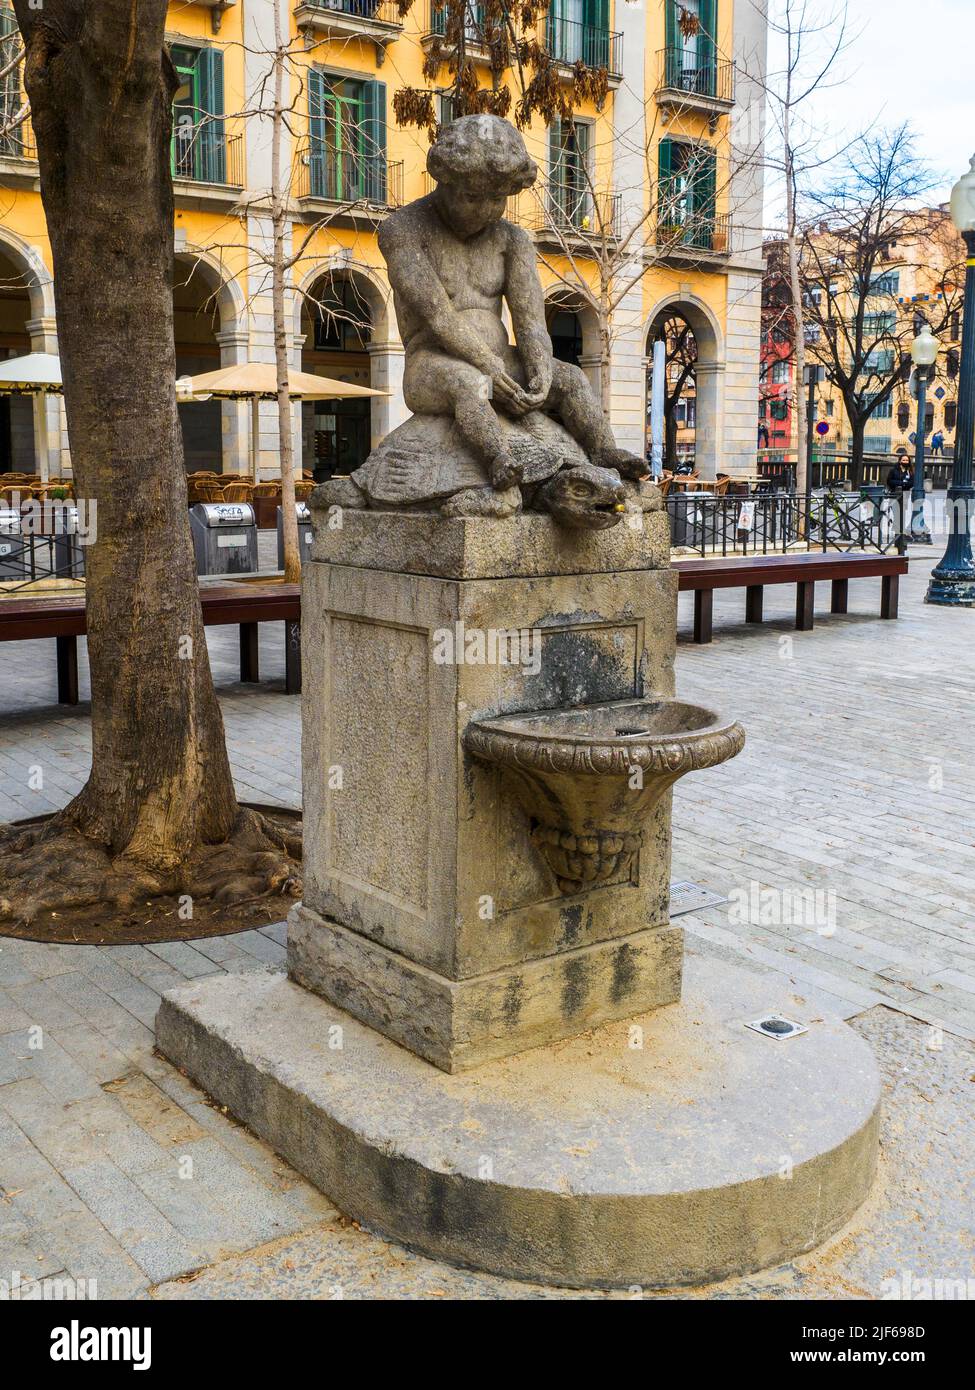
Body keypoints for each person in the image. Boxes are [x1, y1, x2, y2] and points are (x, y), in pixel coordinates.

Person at [377, 115, 646, 492]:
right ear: (445, 181)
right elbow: (438, 315)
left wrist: (539, 371)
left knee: (570, 377)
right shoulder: (403, 229)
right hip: (431, 367)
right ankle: (498, 458)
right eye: (473, 197)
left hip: (503, 362)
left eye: (497, 199)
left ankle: (602, 450)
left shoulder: (512, 240)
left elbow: (531, 319)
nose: (485, 210)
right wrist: (488, 367)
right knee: (469, 383)